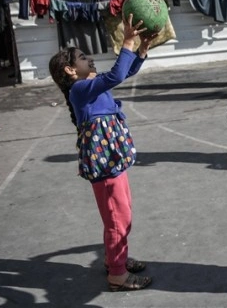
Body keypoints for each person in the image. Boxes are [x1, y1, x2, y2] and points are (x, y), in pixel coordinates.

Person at [48, 14, 155, 292]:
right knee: (117, 219)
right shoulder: (80, 90)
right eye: (83, 58)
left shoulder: (91, 85)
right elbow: (117, 74)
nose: (90, 59)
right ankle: (117, 276)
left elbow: (123, 73)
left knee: (122, 215)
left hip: (113, 162)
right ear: (71, 71)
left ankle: (114, 260)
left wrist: (140, 50)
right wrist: (127, 41)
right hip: (106, 166)